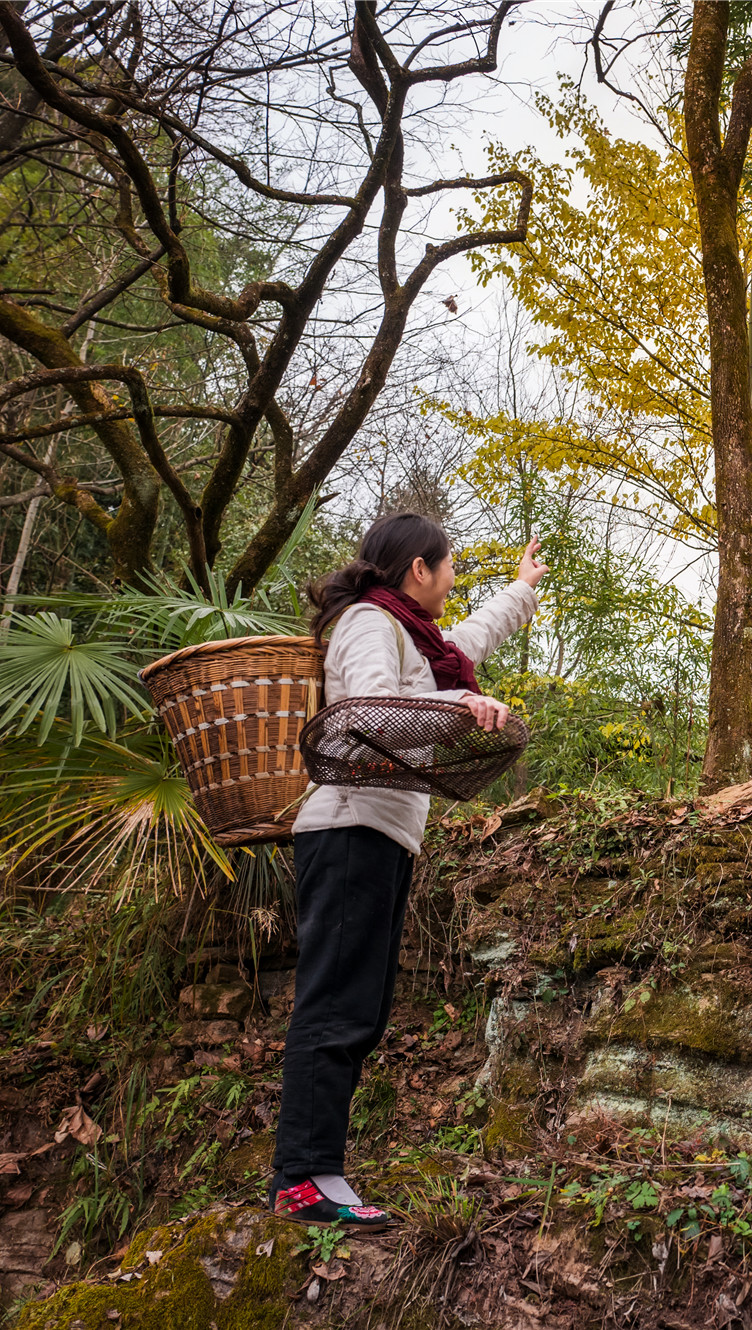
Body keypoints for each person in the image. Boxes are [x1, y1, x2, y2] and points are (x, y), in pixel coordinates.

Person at [270, 512, 547, 1228]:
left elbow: (466, 644)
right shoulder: (370, 623)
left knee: (359, 1008)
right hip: (347, 830)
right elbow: (368, 715)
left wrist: (519, 590)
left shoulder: (415, 638)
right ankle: (303, 1179)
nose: (454, 579)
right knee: (333, 1003)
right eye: (448, 565)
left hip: (384, 837)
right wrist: (461, 703)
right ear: (417, 569)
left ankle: (319, 1171)